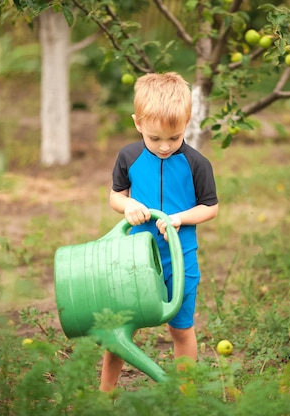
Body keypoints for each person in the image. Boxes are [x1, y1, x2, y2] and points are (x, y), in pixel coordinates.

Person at [100, 72, 219, 391]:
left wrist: (179, 218)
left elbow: (210, 207)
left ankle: (184, 394)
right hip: (133, 261)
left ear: (187, 121)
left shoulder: (197, 164)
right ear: (138, 123)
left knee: (181, 330)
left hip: (180, 261)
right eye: (155, 139)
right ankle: (104, 396)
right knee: (120, 330)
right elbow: (115, 195)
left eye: (174, 137)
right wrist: (127, 206)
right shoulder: (128, 157)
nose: (165, 147)